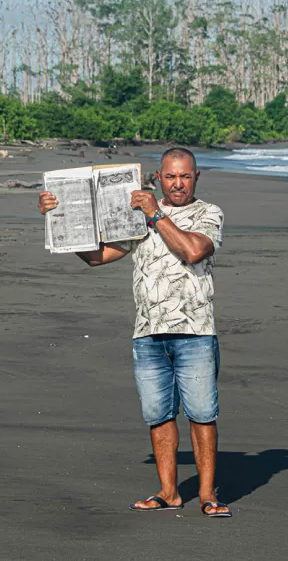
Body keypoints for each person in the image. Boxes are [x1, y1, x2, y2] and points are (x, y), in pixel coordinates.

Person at [37, 147, 232, 518]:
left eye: (185, 176)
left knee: (202, 414)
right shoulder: (138, 215)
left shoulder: (208, 213)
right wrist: (58, 218)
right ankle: (169, 492)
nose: (178, 183)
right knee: (158, 415)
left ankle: (208, 494)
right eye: (170, 176)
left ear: (196, 177)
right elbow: (97, 257)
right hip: (147, 332)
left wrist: (156, 214)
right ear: (159, 177)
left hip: (195, 330)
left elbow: (193, 251)